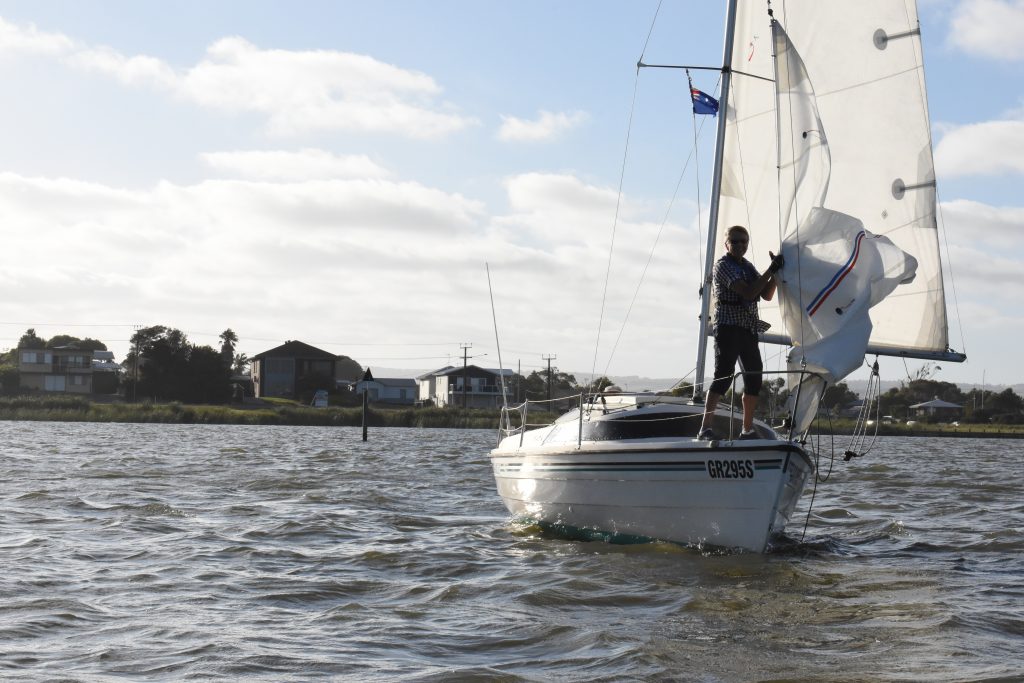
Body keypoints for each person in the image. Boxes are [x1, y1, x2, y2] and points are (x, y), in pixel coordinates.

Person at [699, 225, 784, 440]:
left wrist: (777, 273)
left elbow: (766, 294)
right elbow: (748, 292)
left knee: (754, 378)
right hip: (727, 327)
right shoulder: (723, 266)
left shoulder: (747, 266)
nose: (739, 245)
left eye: (743, 242)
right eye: (734, 241)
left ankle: (747, 430)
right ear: (726, 244)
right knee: (723, 377)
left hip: (747, 328)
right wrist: (771, 271)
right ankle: (705, 428)